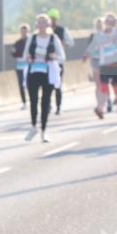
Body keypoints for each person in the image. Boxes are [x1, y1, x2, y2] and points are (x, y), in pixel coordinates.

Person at [23, 14, 64, 143]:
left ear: (48, 25)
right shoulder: (32, 38)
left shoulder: (53, 38)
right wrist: (29, 58)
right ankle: (33, 126)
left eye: (44, 22)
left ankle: (44, 131)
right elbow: (25, 55)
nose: (41, 25)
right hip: (34, 71)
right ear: (36, 25)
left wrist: (54, 57)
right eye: (39, 22)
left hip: (48, 71)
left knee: (45, 101)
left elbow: (62, 56)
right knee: (33, 100)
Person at [87, 13, 117, 118]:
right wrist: (86, 54)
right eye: (107, 21)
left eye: (112, 21)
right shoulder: (100, 35)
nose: (109, 23)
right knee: (103, 85)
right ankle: (101, 108)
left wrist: (116, 26)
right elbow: (93, 46)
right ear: (104, 22)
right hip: (105, 64)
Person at [47, 8, 74, 115]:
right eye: (50, 19)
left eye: (54, 19)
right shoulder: (44, 31)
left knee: (57, 84)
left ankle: (58, 106)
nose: (52, 21)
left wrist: (63, 44)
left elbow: (70, 43)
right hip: (47, 62)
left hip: (59, 62)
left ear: (57, 19)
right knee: (47, 85)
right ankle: (48, 105)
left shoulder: (62, 30)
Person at [12, 24, 31, 109]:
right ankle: (24, 102)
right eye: (22, 31)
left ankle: (32, 100)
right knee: (21, 85)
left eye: (25, 31)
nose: (23, 33)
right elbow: (13, 53)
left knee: (30, 84)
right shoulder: (17, 43)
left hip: (29, 66)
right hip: (20, 66)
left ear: (28, 31)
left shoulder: (31, 41)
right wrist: (14, 52)